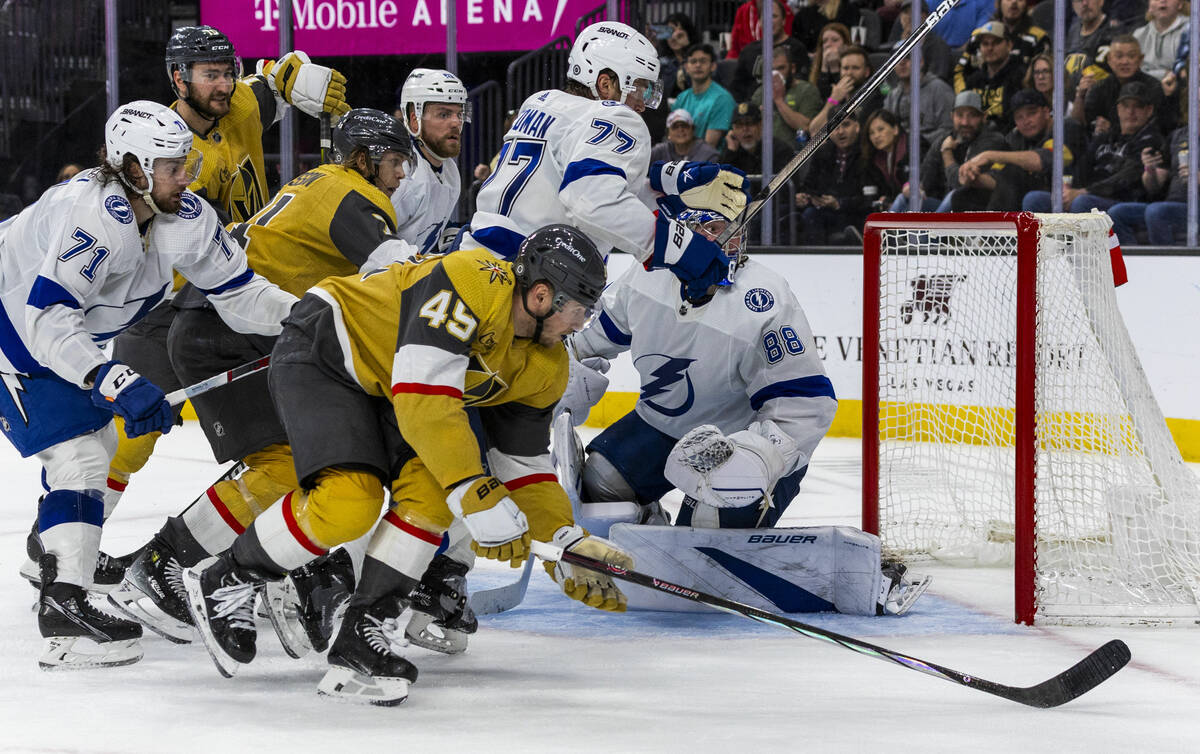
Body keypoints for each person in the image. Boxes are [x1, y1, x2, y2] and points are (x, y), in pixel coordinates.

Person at [182, 226, 633, 706]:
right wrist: (474, 491)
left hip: (391, 389)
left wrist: (565, 539)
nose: (581, 325)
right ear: (543, 295)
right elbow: (425, 398)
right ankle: (228, 576)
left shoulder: (546, 365)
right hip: (330, 351)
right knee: (350, 501)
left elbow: (522, 461)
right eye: (579, 311)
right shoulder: (469, 280)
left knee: (433, 494)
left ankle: (362, 634)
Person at [33, 25, 349, 595]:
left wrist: (293, 70)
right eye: (210, 74)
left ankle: (248, 554)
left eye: (227, 71)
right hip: (172, 305)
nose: (224, 84)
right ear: (178, 79)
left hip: (235, 292)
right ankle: (59, 544)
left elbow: (271, 83)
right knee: (127, 435)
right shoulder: (164, 156)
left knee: (278, 442)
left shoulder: (242, 105)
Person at [0, 101, 296, 670]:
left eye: (185, 161)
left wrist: (306, 315)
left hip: (43, 323)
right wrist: (109, 376)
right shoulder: (92, 214)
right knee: (82, 456)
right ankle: (64, 610)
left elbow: (240, 294)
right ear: (131, 167)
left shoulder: (185, 213)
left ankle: (55, 558)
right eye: (171, 166)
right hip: (11, 323)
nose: (188, 175)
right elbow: (47, 317)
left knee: (97, 448)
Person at [107, 109, 414, 647]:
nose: (401, 175)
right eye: (393, 163)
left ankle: (266, 573)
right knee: (292, 463)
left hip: (232, 326)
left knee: (300, 461)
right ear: (364, 160)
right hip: (230, 331)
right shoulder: (350, 193)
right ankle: (165, 567)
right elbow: (400, 272)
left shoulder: (318, 184)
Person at [555, 208, 927, 616]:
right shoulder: (645, 280)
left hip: (736, 441)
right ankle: (654, 538)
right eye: (703, 229)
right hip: (660, 424)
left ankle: (719, 533)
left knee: (713, 523)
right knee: (600, 485)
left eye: (724, 229)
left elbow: (805, 404)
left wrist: (757, 457)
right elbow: (581, 342)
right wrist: (558, 378)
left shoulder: (764, 299)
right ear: (678, 233)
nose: (719, 239)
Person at [462, 21, 744, 293]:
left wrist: (663, 188)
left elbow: (572, 183)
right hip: (523, 282)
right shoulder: (615, 116)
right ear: (606, 84)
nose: (642, 103)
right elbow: (592, 201)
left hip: (473, 262)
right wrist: (682, 251)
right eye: (639, 88)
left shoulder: (539, 101)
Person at [1024, 81, 1165, 213]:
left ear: (1149, 110)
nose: (1131, 112)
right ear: (1118, 109)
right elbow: (1083, 166)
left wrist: (1084, 192)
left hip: (1121, 200)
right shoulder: (1105, 137)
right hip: (1087, 194)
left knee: (1082, 203)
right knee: (1034, 199)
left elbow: (1125, 178)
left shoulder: (1151, 140)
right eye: (1126, 105)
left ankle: (1074, 239)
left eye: (1138, 106)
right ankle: (1041, 240)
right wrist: (1068, 190)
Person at [953, 88, 1088, 211]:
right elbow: (997, 181)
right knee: (962, 195)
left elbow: (1047, 160)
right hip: (1029, 192)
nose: (1026, 121)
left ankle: (1000, 234)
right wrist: (973, 177)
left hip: (1070, 193)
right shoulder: (1016, 137)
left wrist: (989, 155)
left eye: (1031, 113)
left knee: (1016, 175)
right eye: (1019, 117)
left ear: (1046, 112)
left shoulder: (1066, 127)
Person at [391, 68, 468, 255]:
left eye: (459, 114)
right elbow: (371, 245)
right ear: (414, 119)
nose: (456, 122)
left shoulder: (449, 170)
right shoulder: (401, 174)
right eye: (444, 114)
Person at [901, 90, 1006, 212]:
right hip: (946, 206)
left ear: (984, 117)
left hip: (979, 210)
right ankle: (881, 230)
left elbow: (960, 183)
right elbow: (924, 177)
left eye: (972, 115)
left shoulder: (992, 140)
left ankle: (934, 231)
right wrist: (911, 187)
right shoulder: (944, 139)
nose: (965, 122)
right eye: (960, 115)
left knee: (953, 196)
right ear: (952, 116)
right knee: (905, 199)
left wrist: (947, 153)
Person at [1107, 124, 1189, 244]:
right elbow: (1154, 187)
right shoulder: (1179, 135)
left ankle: (1164, 261)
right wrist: (1150, 169)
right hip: (1173, 205)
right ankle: (1131, 261)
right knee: (1117, 213)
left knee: (1156, 212)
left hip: (1193, 209)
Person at [795, 117, 872, 244]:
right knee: (803, 215)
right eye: (835, 127)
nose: (840, 131)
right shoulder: (822, 153)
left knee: (812, 216)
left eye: (846, 125)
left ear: (857, 127)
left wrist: (839, 203)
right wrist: (804, 197)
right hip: (824, 212)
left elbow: (868, 198)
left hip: (854, 213)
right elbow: (809, 185)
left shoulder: (866, 152)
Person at [1079, 35, 1175, 136]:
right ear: (1109, 60)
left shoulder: (1153, 87)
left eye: (1131, 56)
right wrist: (1080, 96)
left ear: (1140, 59)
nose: (1125, 62)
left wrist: (1113, 129)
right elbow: (1082, 123)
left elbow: (1158, 127)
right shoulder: (1100, 87)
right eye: (1119, 56)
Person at [953, 0, 1049, 89]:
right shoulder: (979, 36)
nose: (1014, 2)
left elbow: (1044, 74)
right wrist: (964, 97)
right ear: (998, 2)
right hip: (978, 98)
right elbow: (960, 71)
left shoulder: (1038, 37)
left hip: (1018, 100)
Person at [731, 0, 809, 102]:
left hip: (786, 105)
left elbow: (801, 86)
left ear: (783, 21)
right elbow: (737, 88)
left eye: (774, 16)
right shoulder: (748, 51)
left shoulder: (797, 49)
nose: (769, 21)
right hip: (752, 109)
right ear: (759, 22)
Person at [956, 22, 1027, 131]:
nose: (990, 48)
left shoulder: (1020, 76)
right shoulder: (974, 80)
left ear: (1009, 45)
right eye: (985, 43)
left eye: (996, 42)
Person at [750, 46, 823, 150]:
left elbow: (806, 126)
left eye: (781, 68)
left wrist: (778, 100)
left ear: (792, 68)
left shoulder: (807, 90)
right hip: (765, 154)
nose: (776, 74)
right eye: (771, 70)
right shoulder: (760, 93)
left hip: (795, 154)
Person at [882, 53, 955, 146]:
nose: (902, 62)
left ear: (920, 62)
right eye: (896, 58)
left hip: (930, 149)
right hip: (900, 151)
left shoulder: (939, 89)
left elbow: (949, 128)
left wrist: (919, 142)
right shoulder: (893, 95)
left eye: (908, 57)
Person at [673, 43, 737, 148]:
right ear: (686, 67)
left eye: (703, 61)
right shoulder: (682, 98)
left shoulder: (722, 99)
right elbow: (672, 134)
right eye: (693, 61)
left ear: (713, 66)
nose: (698, 65)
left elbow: (709, 147)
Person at [807, 46, 882, 134]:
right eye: (846, 68)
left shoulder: (873, 96)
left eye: (855, 68)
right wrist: (833, 100)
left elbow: (857, 131)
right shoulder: (838, 95)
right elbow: (814, 129)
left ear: (866, 72)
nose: (849, 73)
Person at [718, 102, 794, 174]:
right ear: (733, 130)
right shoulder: (732, 150)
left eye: (749, 123)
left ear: (760, 125)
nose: (745, 129)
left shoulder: (779, 150)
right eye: (739, 125)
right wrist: (731, 152)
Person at [862, 109, 911, 213]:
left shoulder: (912, 147)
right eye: (871, 133)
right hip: (900, 209)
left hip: (922, 204)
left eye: (881, 129)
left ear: (895, 130)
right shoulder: (876, 159)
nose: (876, 136)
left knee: (901, 200)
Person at [1132, 0, 1188, 80]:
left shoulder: (1193, 32)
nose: (1163, 1)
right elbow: (1133, 70)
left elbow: (1188, 72)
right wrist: (1164, 74)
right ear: (1149, 6)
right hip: (1144, 86)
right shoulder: (1139, 34)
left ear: (1180, 4)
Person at [729, 0, 795, 60]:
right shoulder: (743, 11)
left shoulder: (785, 11)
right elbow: (734, 50)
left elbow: (788, 42)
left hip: (777, 64)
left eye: (774, 16)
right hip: (746, 64)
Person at [650, 109, 719, 163]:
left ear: (692, 129)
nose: (680, 129)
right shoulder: (660, 150)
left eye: (684, 125)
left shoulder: (708, 154)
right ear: (668, 133)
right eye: (675, 127)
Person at [810, 22, 851, 100]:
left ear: (845, 45)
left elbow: (840, 100)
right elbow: (819, 98)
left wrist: (834, 68)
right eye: (825, 41)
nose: (828, 44)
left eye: (835, 40)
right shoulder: (815, 65)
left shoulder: (853, 65)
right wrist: (824, 67)